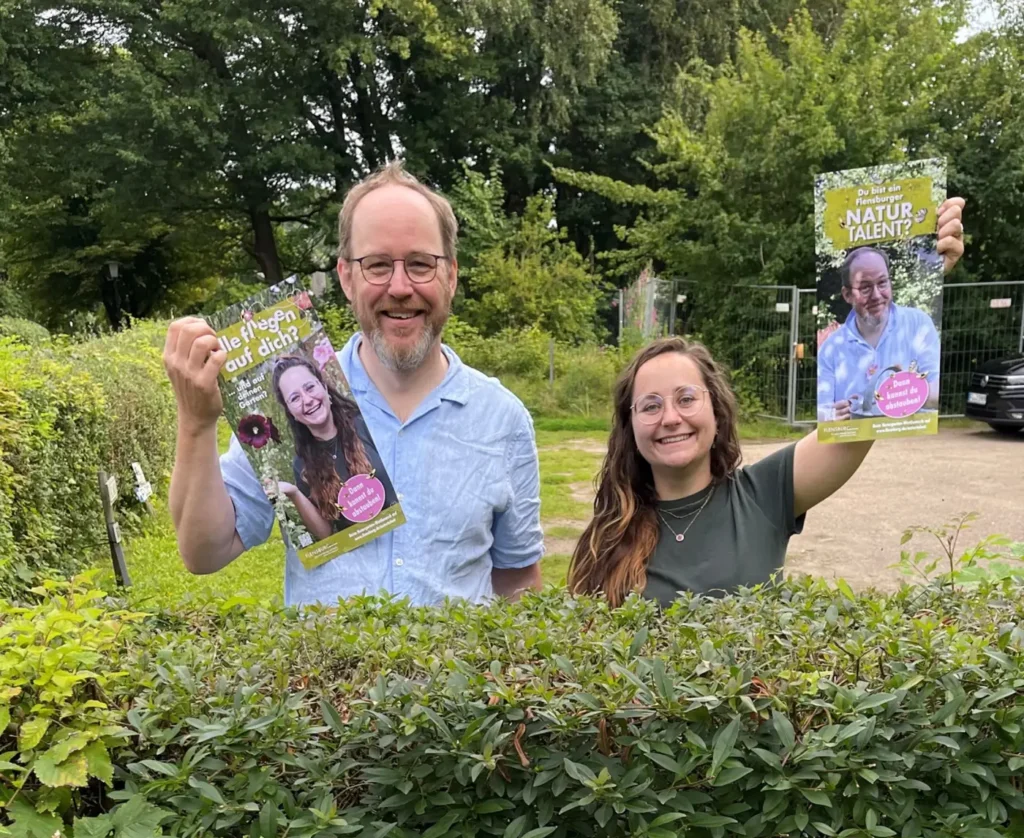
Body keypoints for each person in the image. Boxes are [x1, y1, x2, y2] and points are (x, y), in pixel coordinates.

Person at [163, 161, 544, 607]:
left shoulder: (503, 419)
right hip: (326, 678)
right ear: (346, 277)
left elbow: (517, 579)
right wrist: (195, 423)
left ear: (451, 275)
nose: (400, 287)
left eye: (421, 264)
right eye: (377, 265)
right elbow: (204, 552)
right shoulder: (282, 416)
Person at [568, 198, 965, 607]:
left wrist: (927, 272)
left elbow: (858, 428)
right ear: (630, 425)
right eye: (650, 406)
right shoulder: (610, 532)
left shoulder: (765, 495)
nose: (671, 417)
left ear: (716, 413)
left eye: (686, 398)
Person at [270, 354, 398, 540]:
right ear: (291, 412)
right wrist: (294, 494)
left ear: (324, 387)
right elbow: (326, 533)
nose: (307, 400)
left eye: (310, 387)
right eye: (295, 398)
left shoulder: (366, 423)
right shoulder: (302, 465)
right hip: (362, 556)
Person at [818, 245, 941, 421]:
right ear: (847, 295)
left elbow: (937, 390)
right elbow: (820, 410)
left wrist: (906, 393)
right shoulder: (831, 348)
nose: (876, 295)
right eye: (865, 288)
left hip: (911, 442)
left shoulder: (918, 324)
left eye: (882, 283)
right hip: (856, 446)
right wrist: (828, 416)